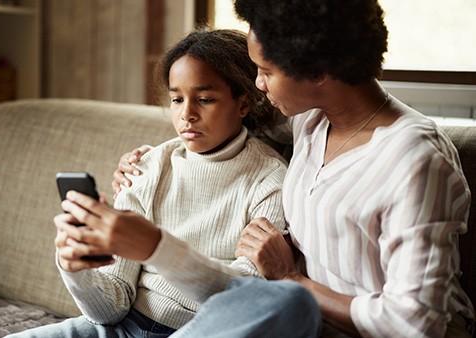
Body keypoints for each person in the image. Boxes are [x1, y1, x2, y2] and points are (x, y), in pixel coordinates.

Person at [113, 0, 475, 337]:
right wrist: (147, 163)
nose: (257, 83)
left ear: (317, 70)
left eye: (266, 71)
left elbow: (414, 323)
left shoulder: (416, 160)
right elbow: (216, 115)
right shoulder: (310, 121)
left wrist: (291, 279)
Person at [9, 28, 321, 338]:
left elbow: (246, 302)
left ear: (243, 104)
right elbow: (110, 310)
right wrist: (76, 272)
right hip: (120, 327)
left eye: (205, 99)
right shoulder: (147, 167)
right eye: (176, 99)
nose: (187, 114)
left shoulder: (269, 179)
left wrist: (156, 245)